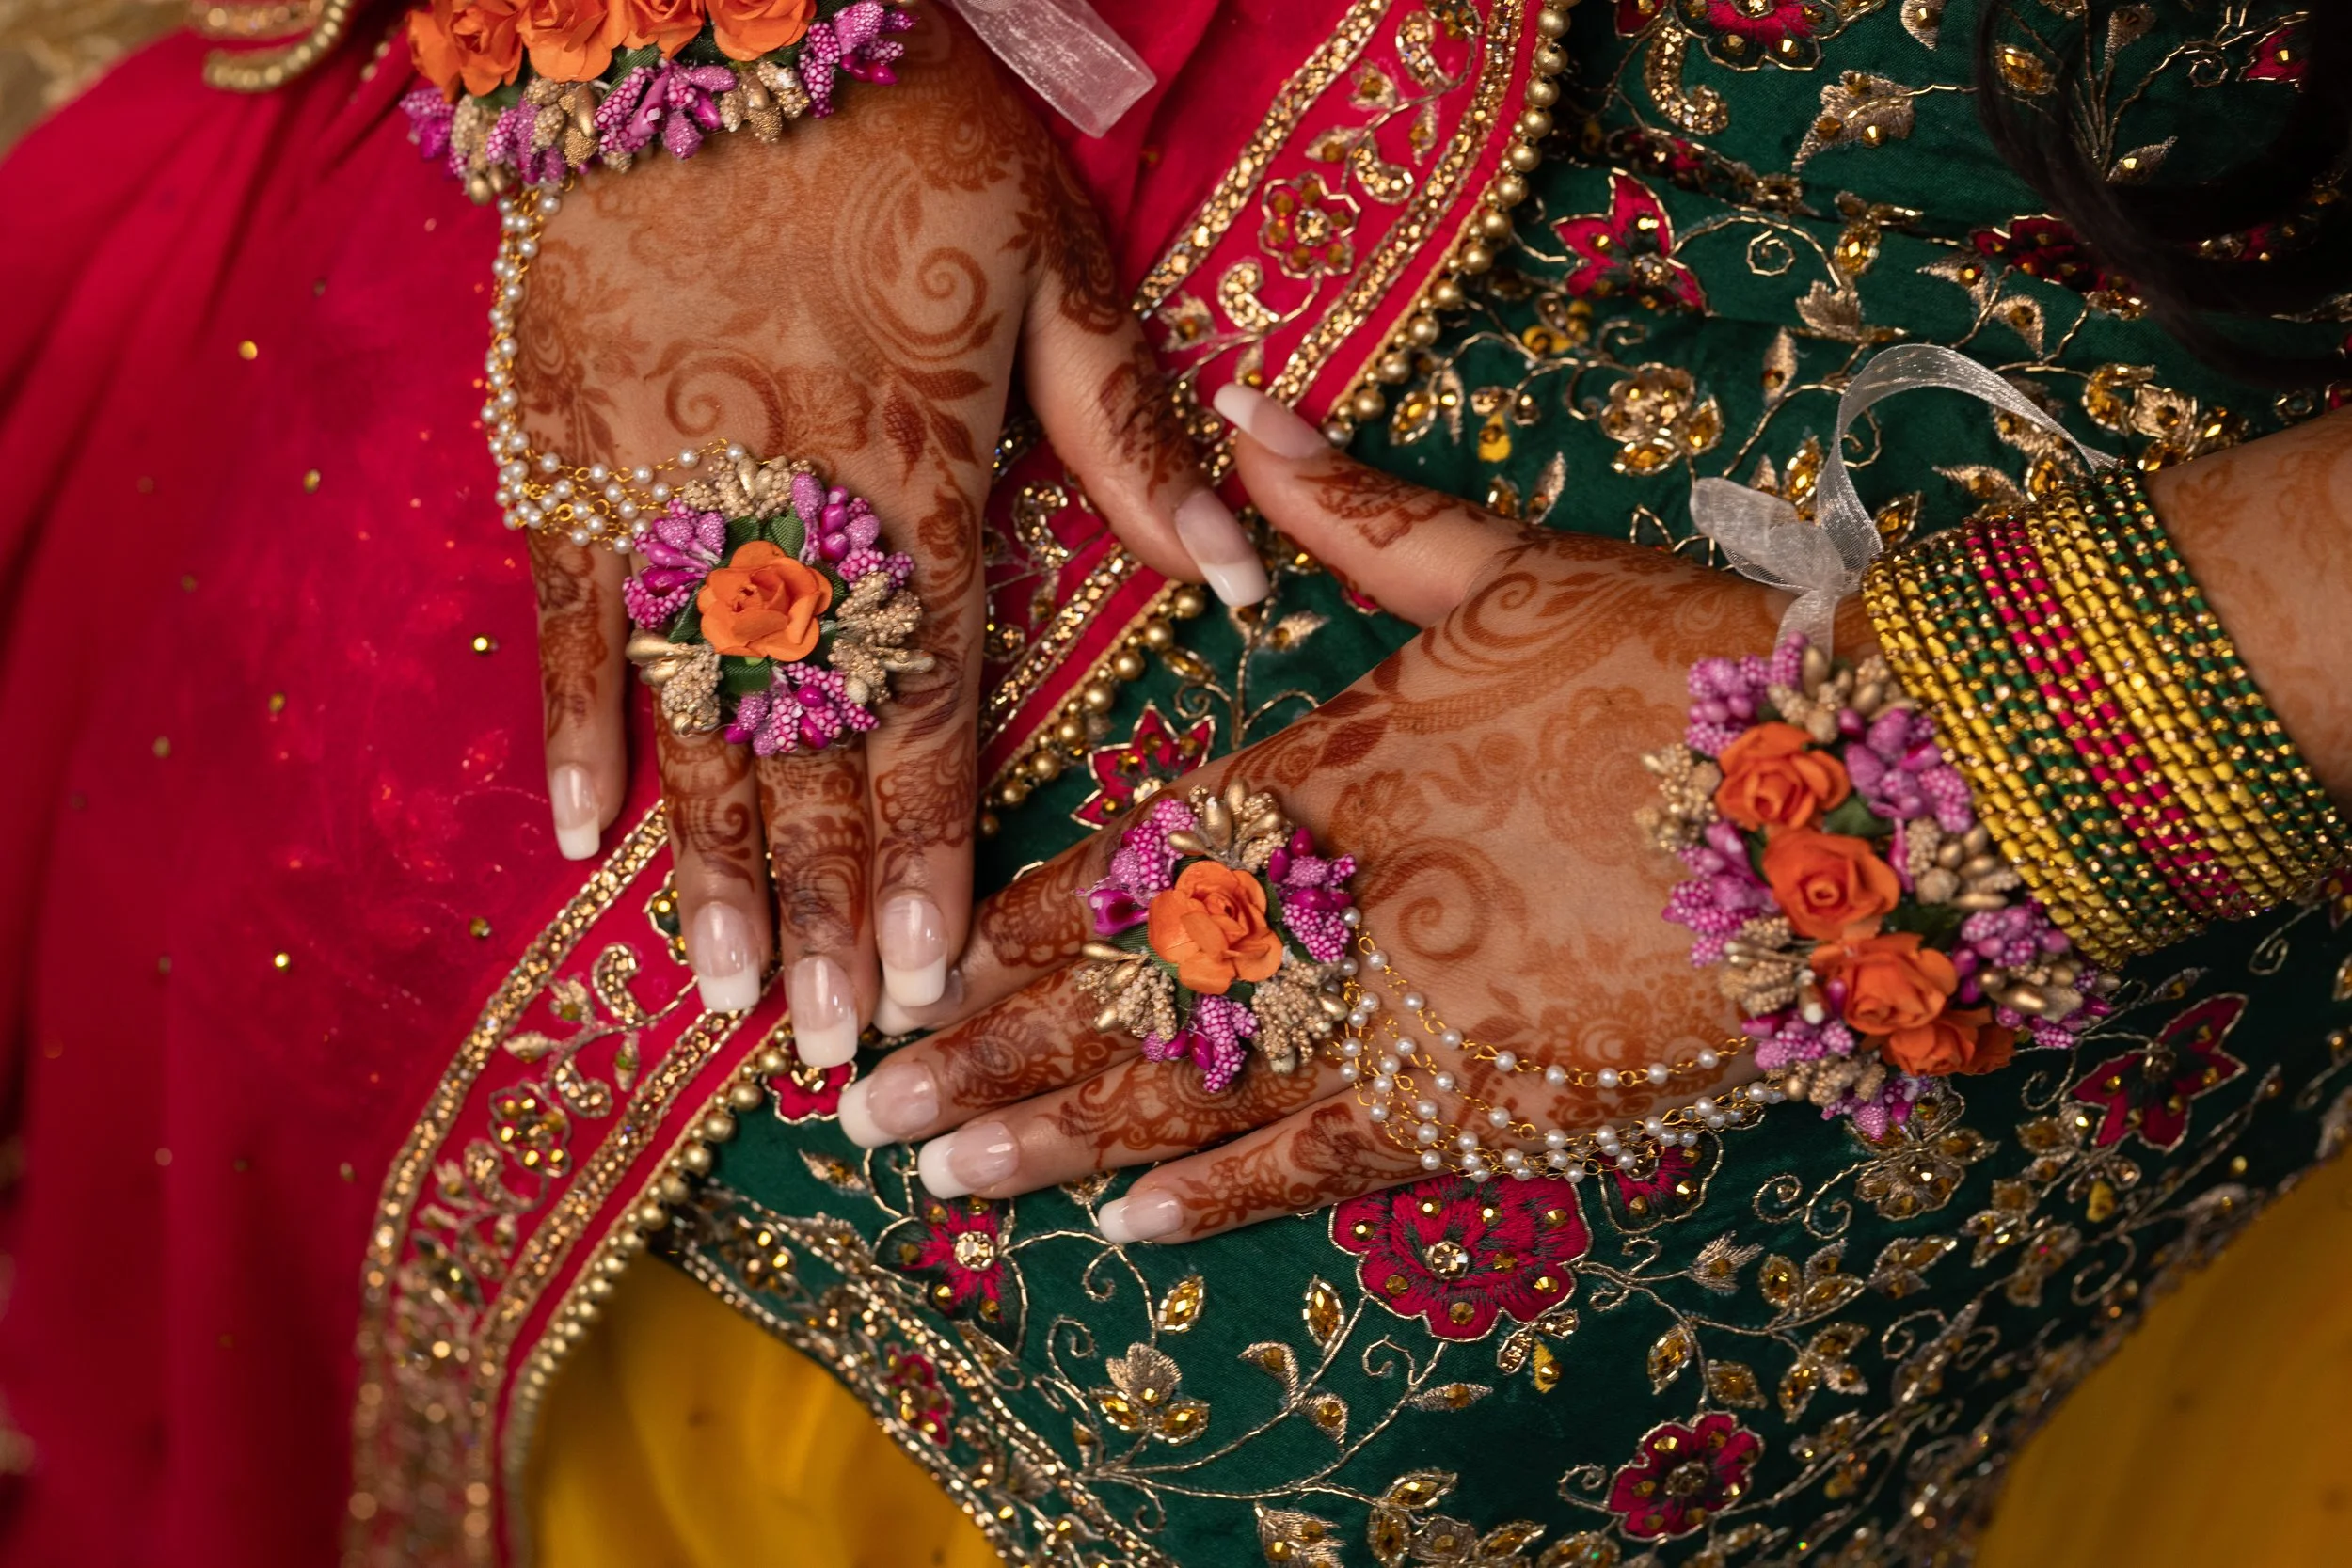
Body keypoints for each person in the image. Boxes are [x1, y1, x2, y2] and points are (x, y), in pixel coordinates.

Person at [0, 4, 2344, 1567]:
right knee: (356, 694)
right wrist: (697, 53)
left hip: (2191, 399)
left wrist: (2025, 733)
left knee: (1392, 1398)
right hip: (1005, 62)